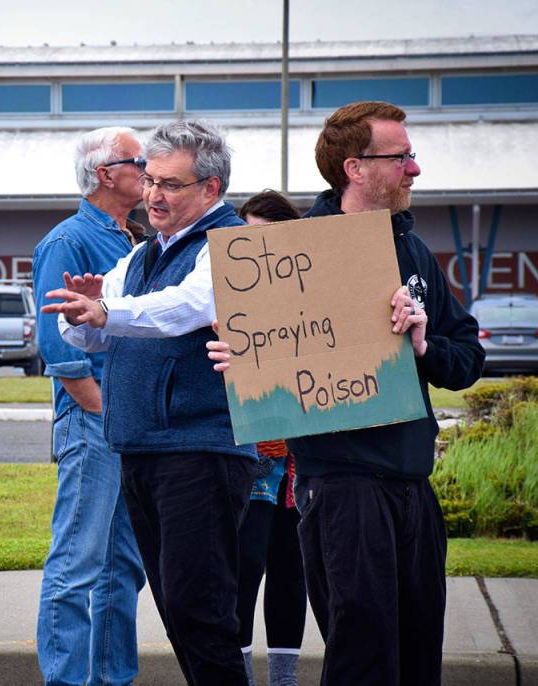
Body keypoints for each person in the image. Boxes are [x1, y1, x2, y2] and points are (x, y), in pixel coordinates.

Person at [208, 102, 485, 686]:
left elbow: (466, 361)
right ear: (355, 169)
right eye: (402, 156)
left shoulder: (413, 253)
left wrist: (423, 344)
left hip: (413, 484)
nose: (414, 169)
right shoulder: (295, 255)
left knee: (417, 655)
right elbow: (262, 357)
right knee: (363, 657)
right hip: (342, 488)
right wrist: (245, 358)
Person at [43, 120, 257, 685]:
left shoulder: (231, 244)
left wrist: (108, 312)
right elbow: (94, 331)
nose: (154, 195)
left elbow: (185, 307)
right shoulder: (141, 255)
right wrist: (83, 315)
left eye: (171, 184)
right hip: (142, 448)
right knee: (177, 609)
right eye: (150, 181)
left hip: (200, 451)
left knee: (201, 610)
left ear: (211, 190)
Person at [32, 126, 147, 686]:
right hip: (95, 422)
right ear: (105, 174)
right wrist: (106, 414)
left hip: (130, 424)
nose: (150, 170)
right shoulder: (66, 243)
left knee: (123, 567)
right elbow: (62, 353)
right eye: (140, 161)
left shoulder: (137, 241)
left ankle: (111, 679)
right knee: (77, 564)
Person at [234, 191, 306, 686]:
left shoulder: (308, 294)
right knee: (243, 568)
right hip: (249, 456)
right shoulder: (222, 293)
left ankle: (283, 679)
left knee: (291, 572)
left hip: (302, 460)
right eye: (244, 236)